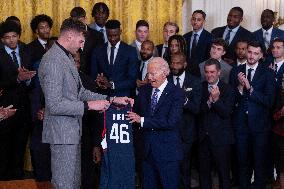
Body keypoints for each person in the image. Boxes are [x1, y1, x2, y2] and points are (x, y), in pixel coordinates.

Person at [38, 18, 133, 189]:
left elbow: (80, 92)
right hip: (62, 135)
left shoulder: (65, 57)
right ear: (69, 37)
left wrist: (111, 100)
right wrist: (89, 106)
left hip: (72, 133)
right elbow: (54, 105)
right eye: (81, 41)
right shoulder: (53, 60)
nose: (82, 46)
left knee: (74, 184)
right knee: (64, 185)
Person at [127, 57, 184, 189]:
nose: (149, 77)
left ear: (165, 73)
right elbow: (134, 115)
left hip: (167, 153)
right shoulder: (144, 90)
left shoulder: (177, 93)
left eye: (153, 74)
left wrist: (142, 120)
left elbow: (171, 121)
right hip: (147, 152)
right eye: (148, 73)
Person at [230, 41, 276, 189]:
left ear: (261, 55)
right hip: (241, 126)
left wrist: (250, 89)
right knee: (242, 164)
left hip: (260, 128)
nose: (251, 56)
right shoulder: (236, 71)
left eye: (256, 53)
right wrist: (239, 88)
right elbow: (230, 99)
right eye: (249, 52)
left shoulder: (268, 73)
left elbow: (269, 101)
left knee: (259, 165)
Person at [0, 20, 36, 180]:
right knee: (4, 147)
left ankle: (18, 179)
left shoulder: (26, 49)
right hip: (4, 109)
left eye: (14, 36)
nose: (11, 40)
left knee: (20, 147)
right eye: (7, 37)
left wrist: (27, 79)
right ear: (2, 39)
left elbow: (32, 80)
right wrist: (17, 79)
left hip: (24, 108)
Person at [198, 58, 234, 189]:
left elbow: (226, 113)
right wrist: (208, 102)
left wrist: (217, 100)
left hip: (221, 140)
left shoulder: (228, 89)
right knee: (204, 175)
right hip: (203, 139)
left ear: (219, 72)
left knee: (224, 175)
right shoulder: (200, 87)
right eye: (207, 72)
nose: (209, 75)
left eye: (212, 72)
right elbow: (197, 111)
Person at [168, 53, 201, 189]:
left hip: (186, 133)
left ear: (185, 64)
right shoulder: (165, 80)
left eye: (178, 63)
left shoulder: (195, 81)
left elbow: (197, 109)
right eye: (172, 63)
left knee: (184, 166)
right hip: (168, 132)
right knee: (169, 167)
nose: (174, 66)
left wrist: (185, 100)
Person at [91, 19, 138, 97]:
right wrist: (98, 82)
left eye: (115, 35)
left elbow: (132, 80)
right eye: (109, 36)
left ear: (120, 32)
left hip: (123, 99)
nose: (112, 39)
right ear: (106, 32)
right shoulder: (97, 51)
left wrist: (111, 85)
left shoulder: (130, 51)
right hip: (102, 97)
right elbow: (93, 75)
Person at [70, 6, 104, 75]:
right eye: (74, 22)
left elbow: (100, 59)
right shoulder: (69, 36)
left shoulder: (97, 36)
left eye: (79, 22)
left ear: (85, 19)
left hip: (92, 77)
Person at [183, 10, 212, 77]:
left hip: (202, 73)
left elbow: (209, 57)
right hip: (186, 72)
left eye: (198, 20)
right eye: (193, 19)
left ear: (204, 21)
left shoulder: (210, 37)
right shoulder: (185, 37)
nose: (195, 22)